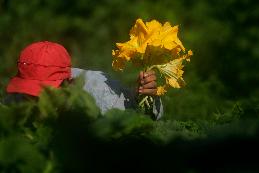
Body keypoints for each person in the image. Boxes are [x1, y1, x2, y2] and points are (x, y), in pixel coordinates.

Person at [5, 41, 163, 119]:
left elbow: (140, 120)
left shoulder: (100, 92)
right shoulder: (17, 98)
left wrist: (145, 96)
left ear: (67, 82)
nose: (35, 98)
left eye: (43, 92)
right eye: (29, 90)